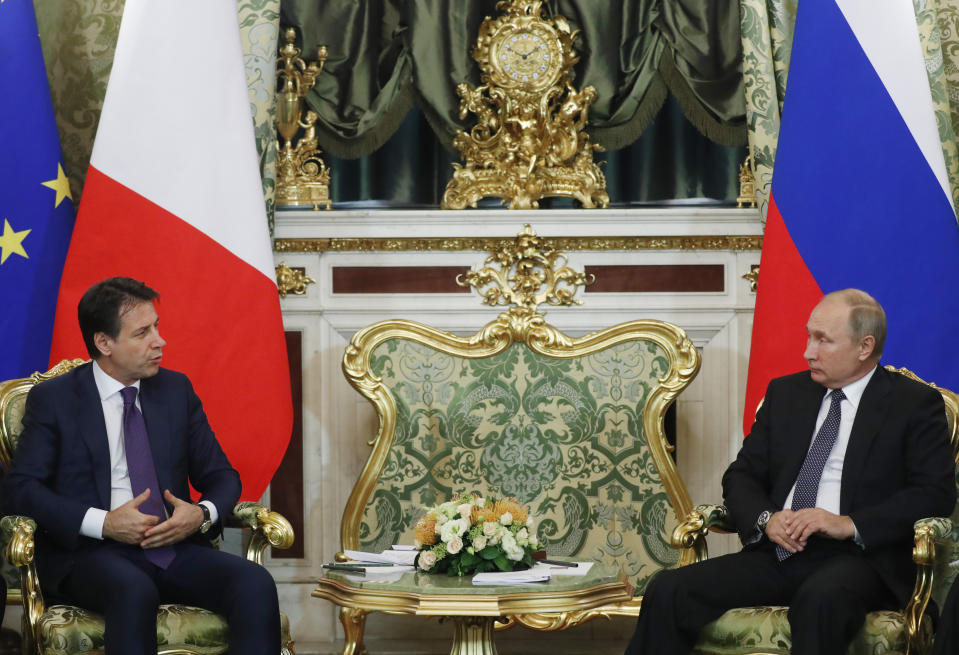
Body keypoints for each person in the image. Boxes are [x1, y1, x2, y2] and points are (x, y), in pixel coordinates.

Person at [624, 288, 956, 655]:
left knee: (820, 600)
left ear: (864, 347)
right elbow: (742, 475)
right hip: (779, 551)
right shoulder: (786, 393)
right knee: (668, 588)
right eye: (808, 336)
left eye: (823, 340)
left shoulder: (913, 404)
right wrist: (767, 519)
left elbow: (934, 493)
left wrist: (848, 523)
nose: (807, 351)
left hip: (858, 560)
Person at [3, 277, 280, 655]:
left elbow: (221, 476)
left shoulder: (175, 390)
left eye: (157, 326)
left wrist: (200, 514)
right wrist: (104, 523)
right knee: (133, 589)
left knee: (254, 583)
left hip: (173, 547)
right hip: (91, 554)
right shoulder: (56, 399)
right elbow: (21, 488)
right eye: (142, 332)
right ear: (105, 343)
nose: (159, 341)